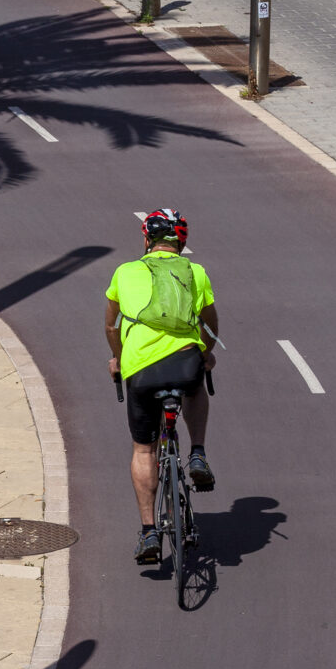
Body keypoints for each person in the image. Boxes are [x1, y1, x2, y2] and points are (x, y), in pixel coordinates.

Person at [105, 207, 219, 566]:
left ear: (146, 239)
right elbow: (210, 325)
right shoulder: (196, 273)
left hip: (139, 369)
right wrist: (206, 354)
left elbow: (111, 327)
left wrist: (118, 359)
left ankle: (149, 531)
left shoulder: (124, 272)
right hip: (184, 364)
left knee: (143, 450)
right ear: (181, 242)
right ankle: (197, 451)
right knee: (196, 381)